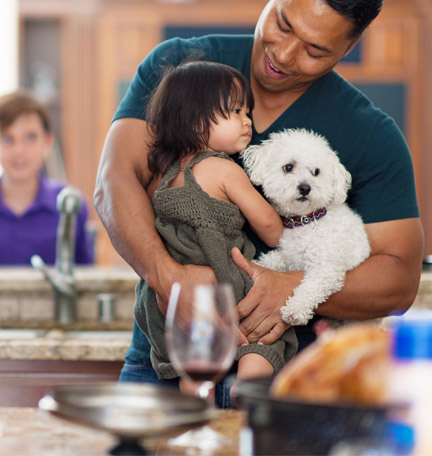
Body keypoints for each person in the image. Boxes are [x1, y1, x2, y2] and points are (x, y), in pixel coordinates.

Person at [94, 0, 424, 408]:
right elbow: (114, 182)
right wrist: (168, 278)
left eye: (314, 50)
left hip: (294, 384)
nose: (283, 55)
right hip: (166, 366)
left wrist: (291, 288)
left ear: (350, 46)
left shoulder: (372, 134)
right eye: (282, 24)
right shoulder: (181, 65)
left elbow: (399, 279)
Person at [134, 60, 297, 399]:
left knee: (195, 367)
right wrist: (290, 236)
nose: (247, 120)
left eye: (246, 111)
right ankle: (247, 390)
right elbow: (268, 226)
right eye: (234, 111)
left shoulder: (166, 175)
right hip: (225, 289)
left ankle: (196, 406)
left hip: (175, 305)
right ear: (194, 119)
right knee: (263, 342)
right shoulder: (224, 169)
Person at [0, 91, 93, 266]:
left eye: (30, 137)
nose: (19, 150)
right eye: (8, 139)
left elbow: (83, 281)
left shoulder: (71, 207)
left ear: (47, 142)